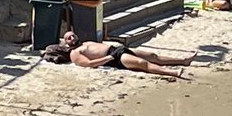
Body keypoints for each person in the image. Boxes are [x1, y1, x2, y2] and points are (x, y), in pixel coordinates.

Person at [44, 28, 198, 78]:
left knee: (152, 56)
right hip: (113, 57)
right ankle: (173, 72)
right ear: (65, 43)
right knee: (142, 64)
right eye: (68, 38)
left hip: (115, 50)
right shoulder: (74, 54)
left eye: (72, 35)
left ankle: (182, 60)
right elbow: (89, 64)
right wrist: (108, 58)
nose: (71, 38)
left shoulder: (84, 42)